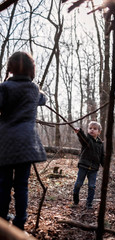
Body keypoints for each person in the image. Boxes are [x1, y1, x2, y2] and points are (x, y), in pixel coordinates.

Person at [0, 51, 47, 230]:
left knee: (3, 184)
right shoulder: (34, 89)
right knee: (21, 185)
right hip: (26, 144)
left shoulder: (4, 87)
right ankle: (20, 222)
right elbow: (43, 99)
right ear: (31, 69)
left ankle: (3, 221)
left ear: (10, 68)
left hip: (5, 143)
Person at [73, 121, 104, 209]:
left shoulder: (100, 144)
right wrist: (79, 132)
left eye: (94, 129)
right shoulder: (87, 140)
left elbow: (102, 156)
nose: (92, 130)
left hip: (94, 168)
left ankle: (89, 204)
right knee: (78, 183)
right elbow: (83, 138)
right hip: (84, 166)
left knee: (92, 186)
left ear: (99, 132)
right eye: (90, 128)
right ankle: (75, 201)